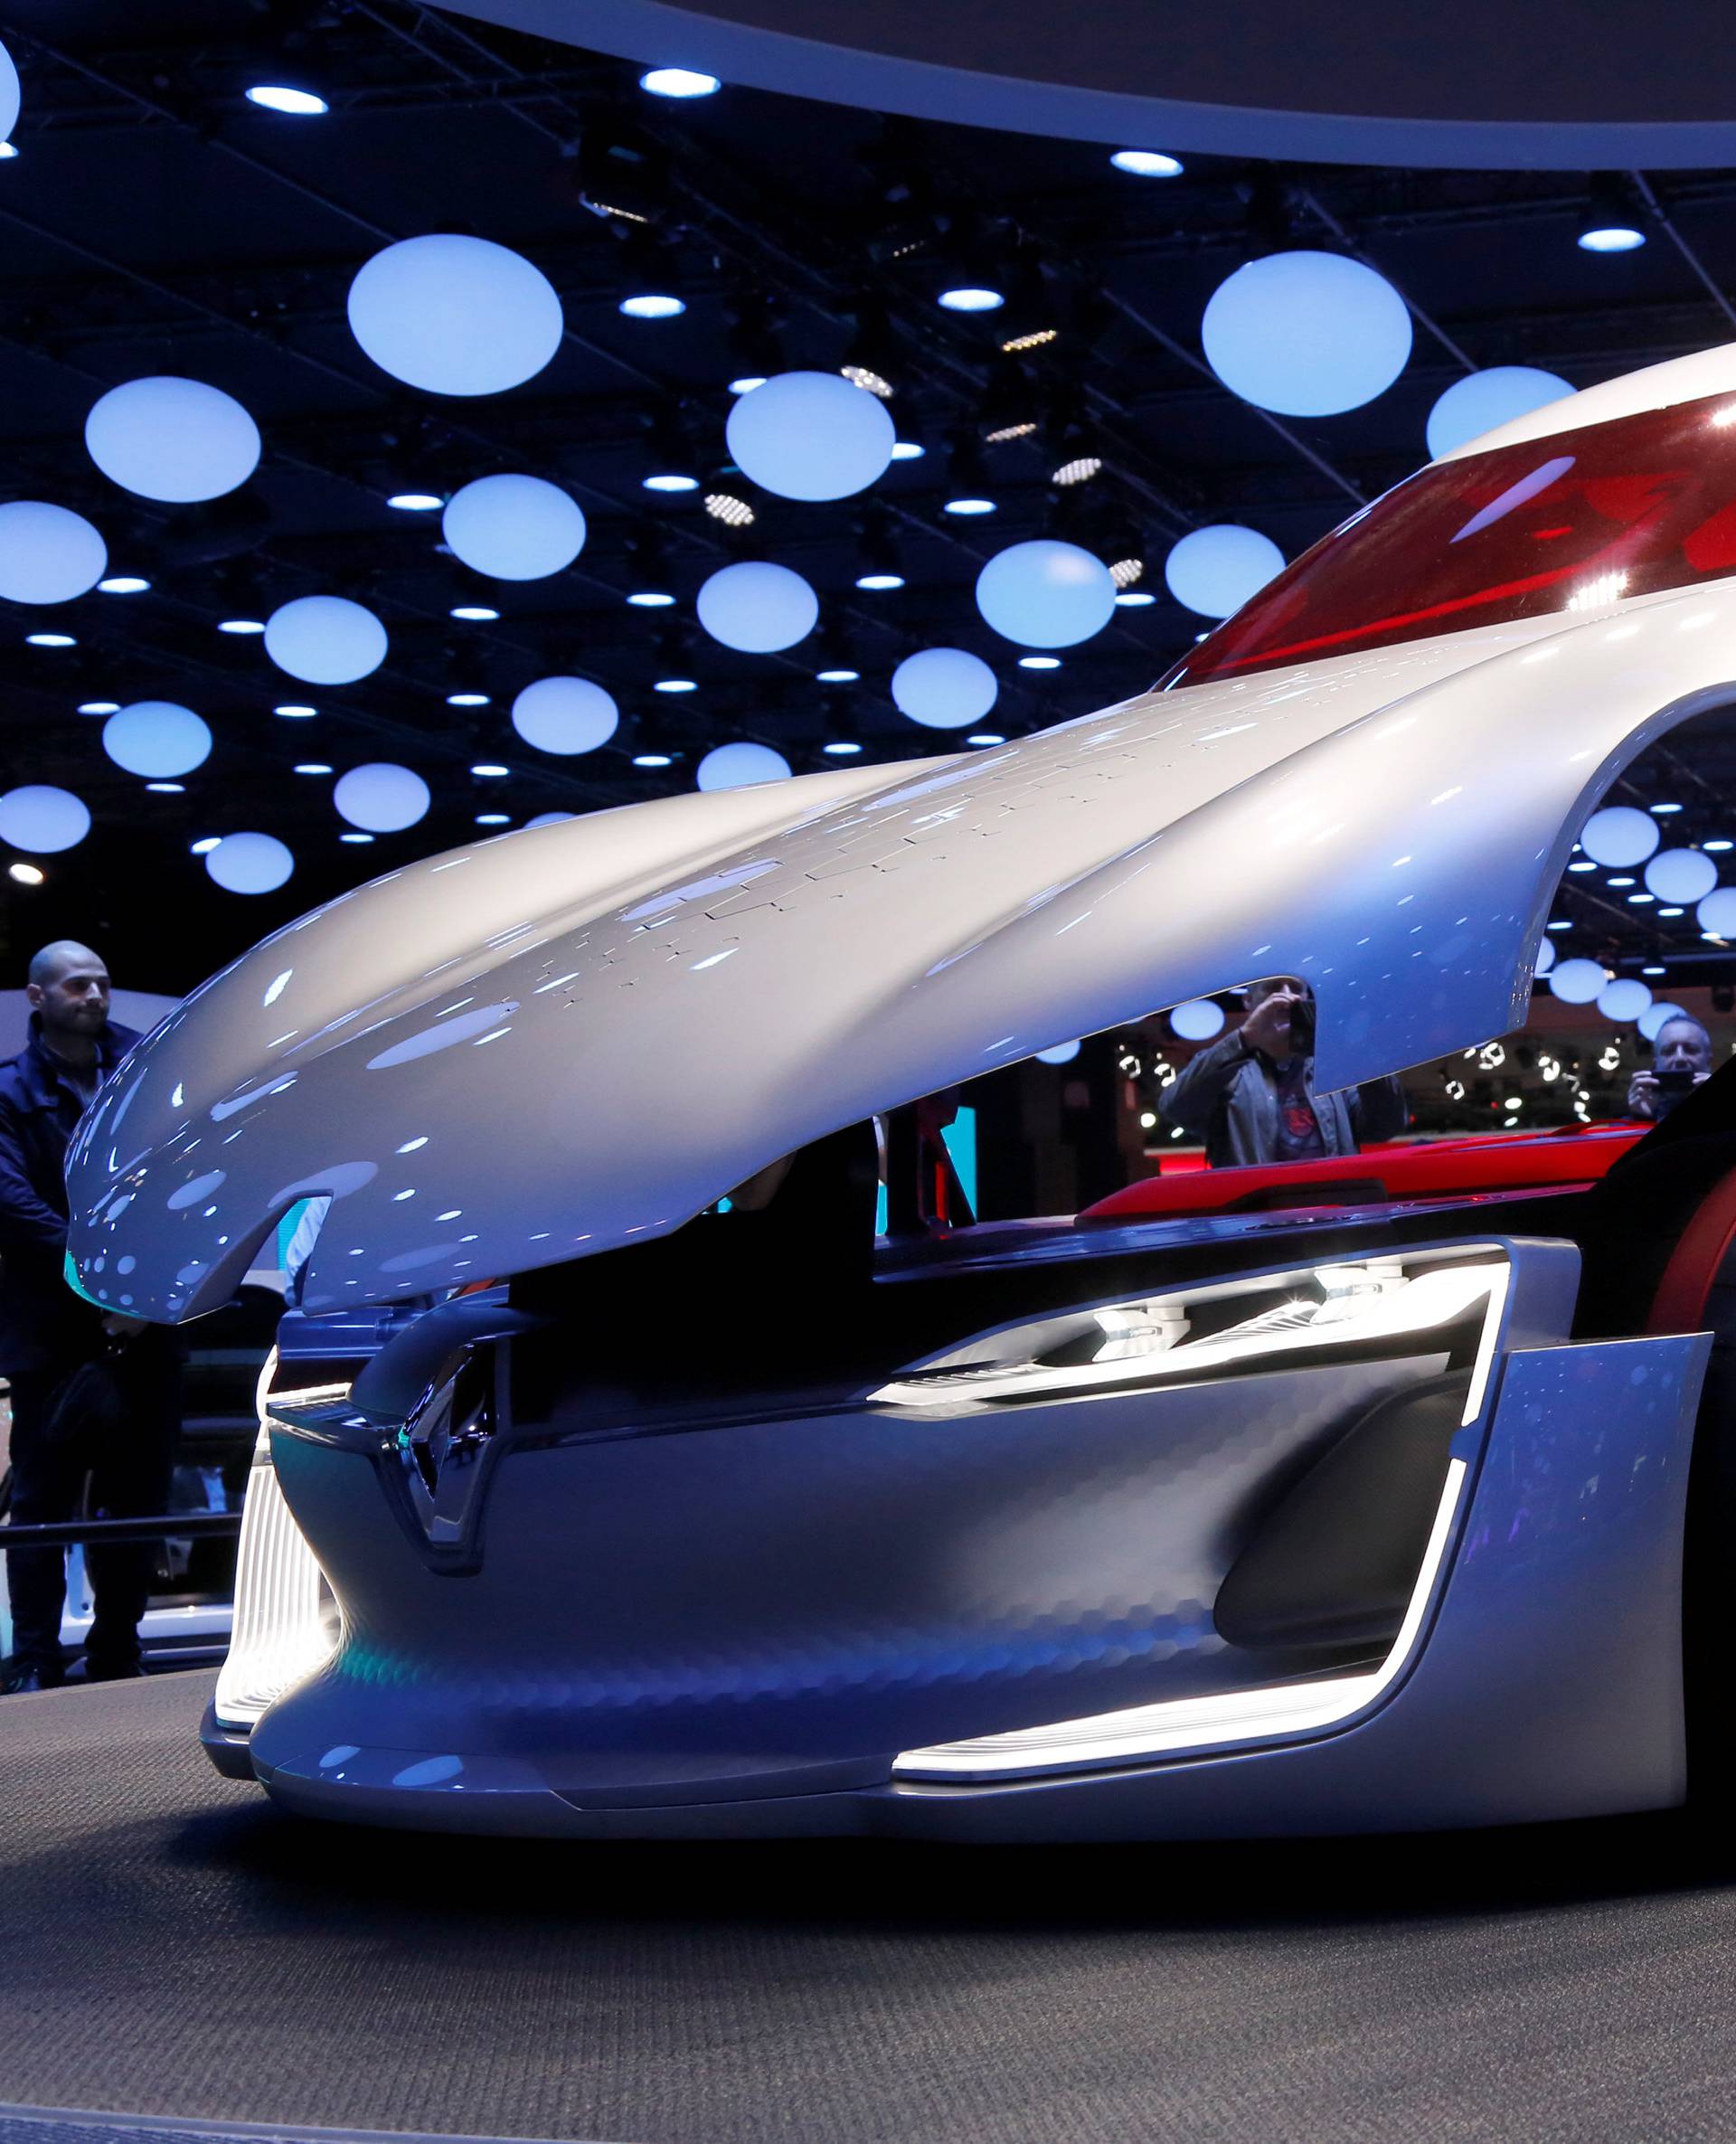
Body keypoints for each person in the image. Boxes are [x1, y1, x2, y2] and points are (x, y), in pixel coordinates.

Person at [0, 941, 180, 1694]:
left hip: (147, 1318)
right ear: (39, 997)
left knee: (137, 1496)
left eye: (104, 982)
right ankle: (37, 1656)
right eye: (79, 984)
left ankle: (118, 1648)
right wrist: (94, 1278)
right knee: (42, 1497)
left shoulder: (146, 1073)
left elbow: (182, 1175)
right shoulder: (10, 1089)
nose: (96, 993)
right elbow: (9, 1202)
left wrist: (137, 1291)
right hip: (53, 1322)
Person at [1158, 977, 1408, 1168]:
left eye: (1296, 989)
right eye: (1274, 988)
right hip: (1258, 1222)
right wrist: (1245, 1038)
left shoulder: (1334, 1068)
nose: (1287, 998)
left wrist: (1357, 1049)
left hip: (1335, 1214)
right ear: (1248, 1001)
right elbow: (1175, 1107)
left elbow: (1385, 1126)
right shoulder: (1228, 1073)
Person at [1627, 1013, 1715, 1122]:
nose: (1680, 1058)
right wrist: (1641, 1119)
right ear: (1655, 1065)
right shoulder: (1625, 1127)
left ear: (1709, 1061)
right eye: (1668, 1051)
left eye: (1691, 1049)